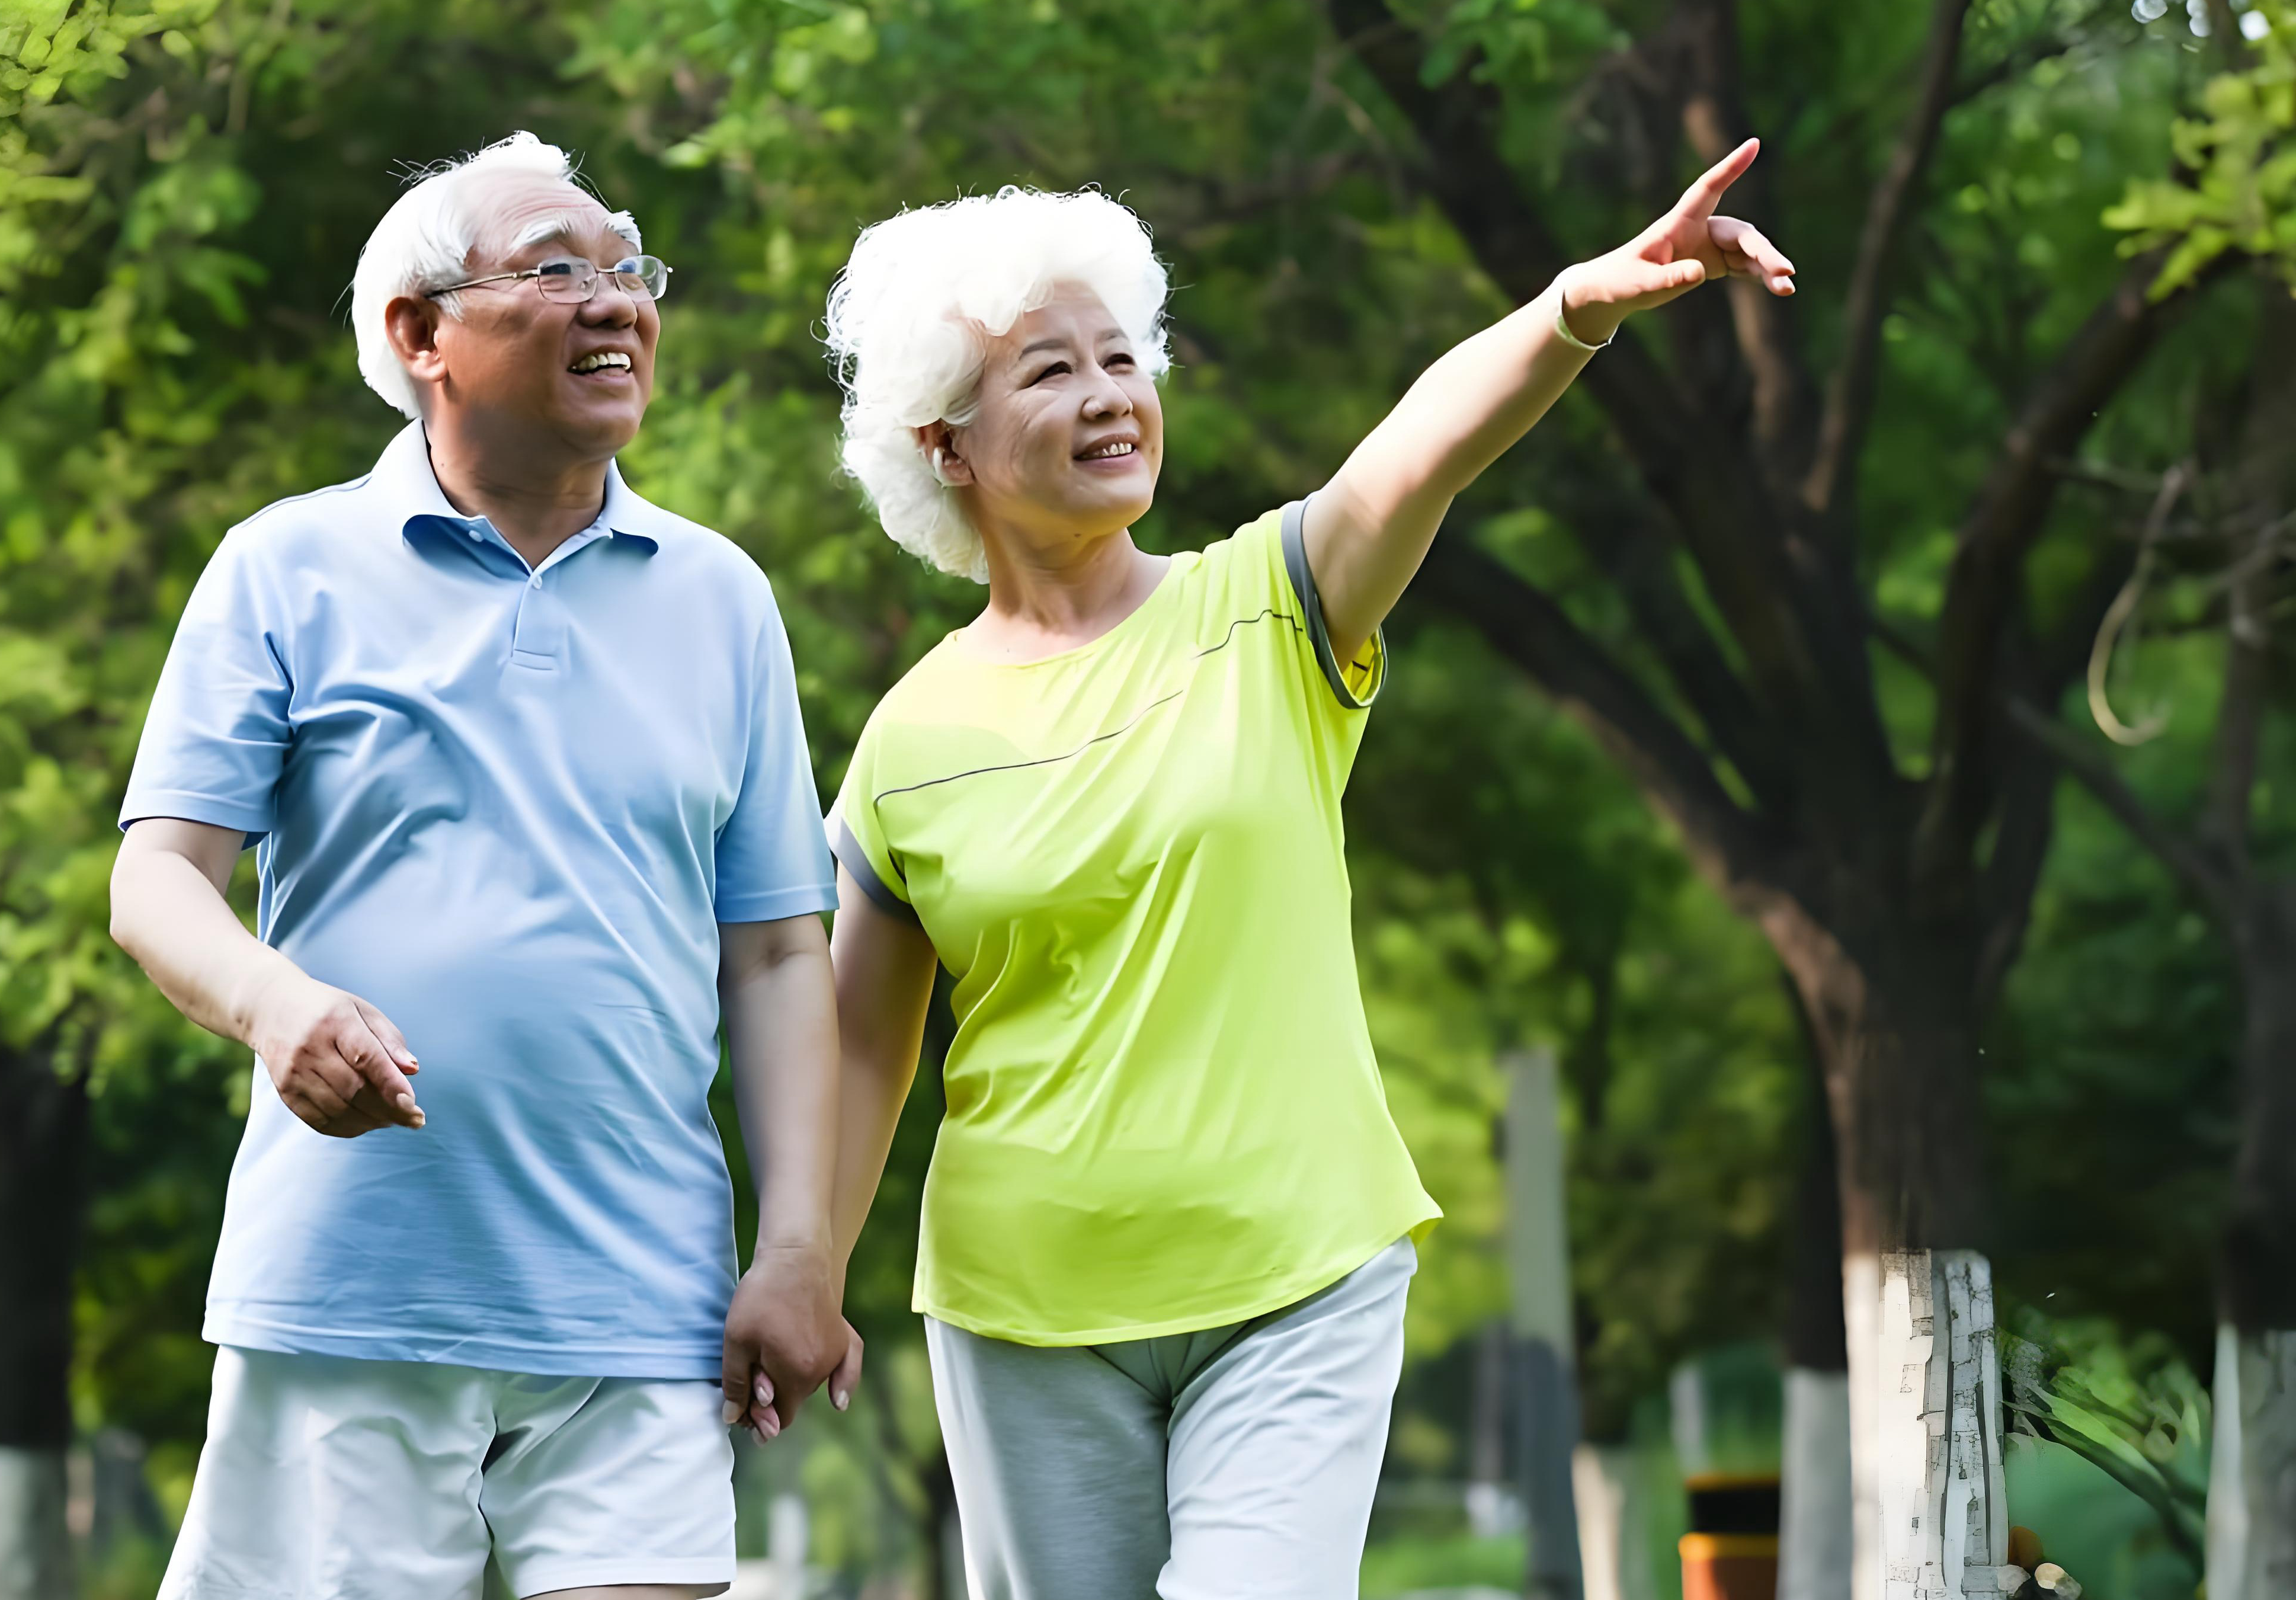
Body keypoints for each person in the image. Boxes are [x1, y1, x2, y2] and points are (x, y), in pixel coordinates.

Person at [819, 146, 1795, 1598]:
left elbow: (1420, 448)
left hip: (1296, 1273)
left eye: (1123, 358)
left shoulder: (1272, 605)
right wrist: (803, 1273)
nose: (1110, 394)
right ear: (946, 444)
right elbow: (856, 1048)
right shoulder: (909, 740)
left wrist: (1574, 308)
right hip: (1024, 1310)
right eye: (1051, 371)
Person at [109, 131, 857, 1600]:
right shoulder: (284, 567)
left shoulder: (722, 597)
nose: (618, 303)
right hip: (350, 1292)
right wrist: (275, 1007)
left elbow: (777, 953)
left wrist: (801, 1247)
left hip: (642, 1304)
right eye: (560, 270)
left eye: (631, 271)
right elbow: (156, 882)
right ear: (420, 335)